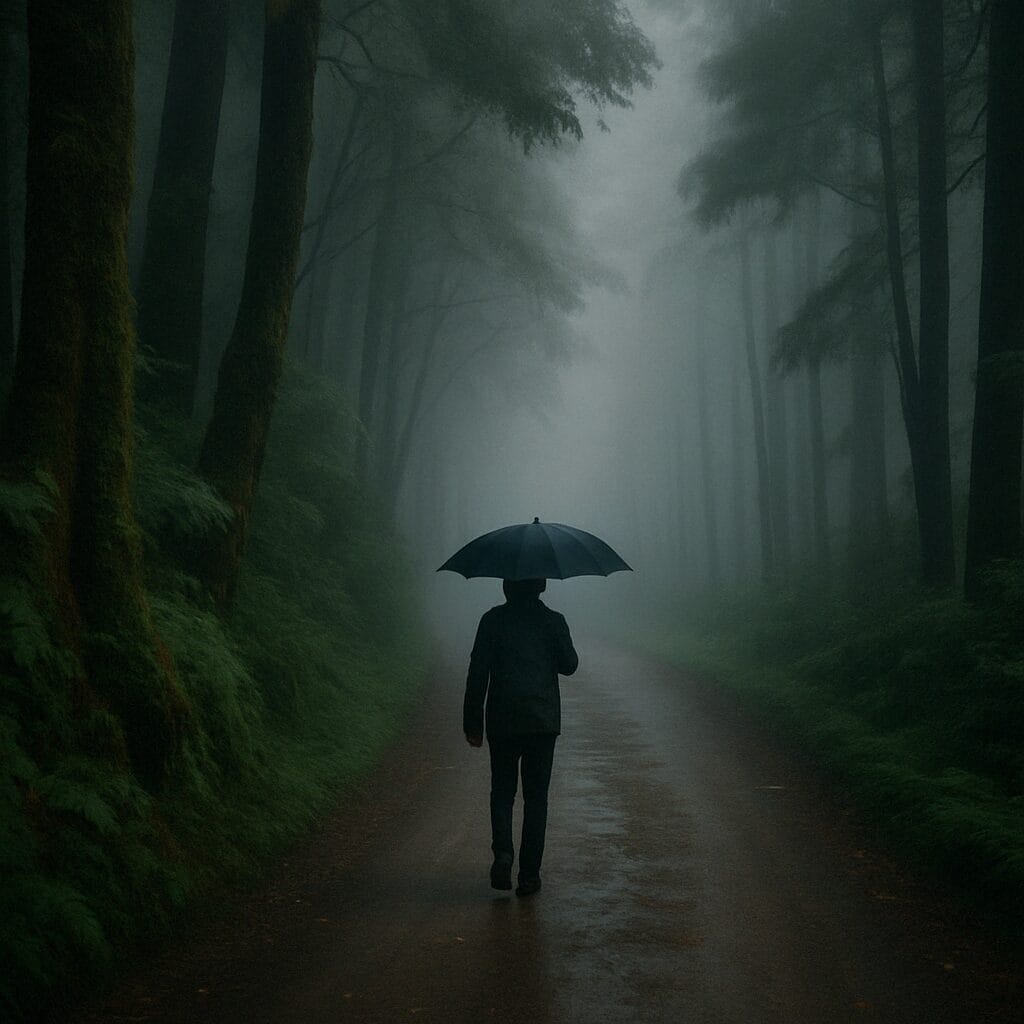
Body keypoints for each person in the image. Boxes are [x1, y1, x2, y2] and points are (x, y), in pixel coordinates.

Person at [463, 577, 579, 896]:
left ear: (507, 587)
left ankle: (503, 855)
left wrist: (472, 723)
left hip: (502, 721)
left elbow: (477, 673)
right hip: (542, 722)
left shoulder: (492, 621)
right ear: (541, 586)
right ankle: (529, 876)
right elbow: (570, 665)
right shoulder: (553, 621)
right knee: (536, 798)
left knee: (502, 792)